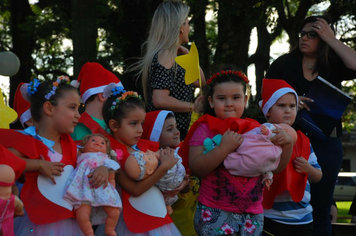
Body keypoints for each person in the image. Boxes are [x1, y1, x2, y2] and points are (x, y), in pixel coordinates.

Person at [264, 14, 356, 235]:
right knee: (282, 202)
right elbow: (264, 97)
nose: (304, 38)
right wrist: (292, 99)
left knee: (322, 207)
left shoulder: (332, 63)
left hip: (326, 141)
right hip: (290, 141)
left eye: (313, 35)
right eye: (302, 34)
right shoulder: (284, 63)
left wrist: (331, 39)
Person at [180, 69, 293, 235]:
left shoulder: (257, 129)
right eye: (221, 98)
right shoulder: (204, 128)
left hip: (252, 213)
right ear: (211, 101)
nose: (229, 103)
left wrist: (288, 144)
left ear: (245, 100)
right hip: (215, 210)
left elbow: (275, 167)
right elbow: (197, 168)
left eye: (236, 97)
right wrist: (223, 148)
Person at [0, 76, 109, 235]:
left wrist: (102, 169)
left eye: (78, 108)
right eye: (72, 107)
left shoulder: (71, 145)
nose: (78, 115)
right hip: (41, 223)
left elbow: (91, 161)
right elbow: (5, 161)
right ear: (49, 108)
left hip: (71, 223)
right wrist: (38, 164)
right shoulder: (29, 142)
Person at [96, 85, 182, 235]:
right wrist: (163, 168)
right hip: (130, 222)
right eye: (133, 123)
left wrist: (178, 182)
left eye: (141, 123)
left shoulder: (143, 148)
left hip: (155, 215)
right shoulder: (110, 155)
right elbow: (135, 190)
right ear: (114, 125)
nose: (140, 130)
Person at [128, 0, 206, 140]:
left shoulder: (175, 57)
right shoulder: (165, 56)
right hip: (169, 133)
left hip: (173, 132)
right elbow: (160, 100)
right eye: (187, 23)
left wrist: (190, 57)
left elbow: (200, 82)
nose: (189, 28)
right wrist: (193, 107)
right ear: (181, 27)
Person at [259, 79, 322, 236]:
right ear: (267, 110)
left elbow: (318, 175)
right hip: (271, 217)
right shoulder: (261, 136)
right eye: (281, 106)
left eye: (292, 106)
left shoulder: (305, 141)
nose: (288, 110)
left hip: (303, 218)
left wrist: (308, 169)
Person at [142, 110, 198, 236]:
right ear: (154, 135)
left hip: (195, 224)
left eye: (176, 126)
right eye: (169, 129)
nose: (177, 132)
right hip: (174, 227)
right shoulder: (151, 163)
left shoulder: (182, 152)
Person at [203, 122, 297, 190]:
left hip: (248, 166)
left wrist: (267, 178)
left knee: (230, 158)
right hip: (246, 148)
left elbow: (267, 167)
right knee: (233, 145)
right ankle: (214, 146)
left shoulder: (277, 151)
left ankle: (216, 149)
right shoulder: (273, 131)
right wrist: (267, 132)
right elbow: (269, 131)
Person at [64, 134, 122, 236]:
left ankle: (110, 229)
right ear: (84, 146)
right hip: (83, 189)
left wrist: (112, 191)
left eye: (102, 143)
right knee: (82, 215)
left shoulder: (106, 159)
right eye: (93, 140)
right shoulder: (80, 154)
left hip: (102, 188)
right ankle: (89, 233)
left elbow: (112, 177)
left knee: (114, 211)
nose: (98, 143)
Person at [71, 62, 124, 141]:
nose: (118, 101)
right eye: (115, 96)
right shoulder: (78, 126)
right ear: (102, 96)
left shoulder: (74, 125)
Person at [125, 148, 185, 215]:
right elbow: (173, 160)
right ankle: (168, 207)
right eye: (149, 158)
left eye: (146, 154)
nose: (150, 155)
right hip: (170, 187)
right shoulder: (162, 171)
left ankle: (168, 207)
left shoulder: (156, 168)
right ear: (149, 170)